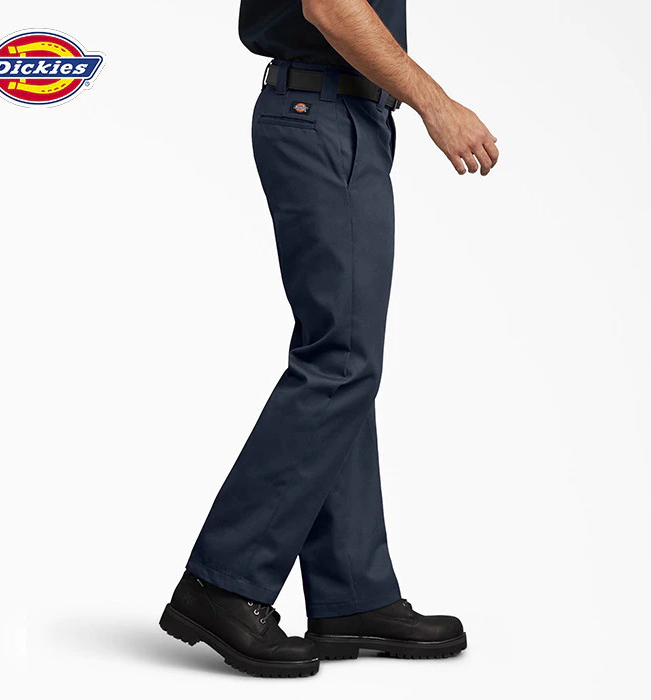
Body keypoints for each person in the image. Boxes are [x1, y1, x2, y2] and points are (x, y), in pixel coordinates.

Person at [159, 0, 498, 678]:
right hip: (323, 111)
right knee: (339, 361)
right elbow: (331, 6)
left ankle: (351, 593)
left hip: (347, 113)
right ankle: (222, 582)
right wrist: (437, 105)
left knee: (348, 362)